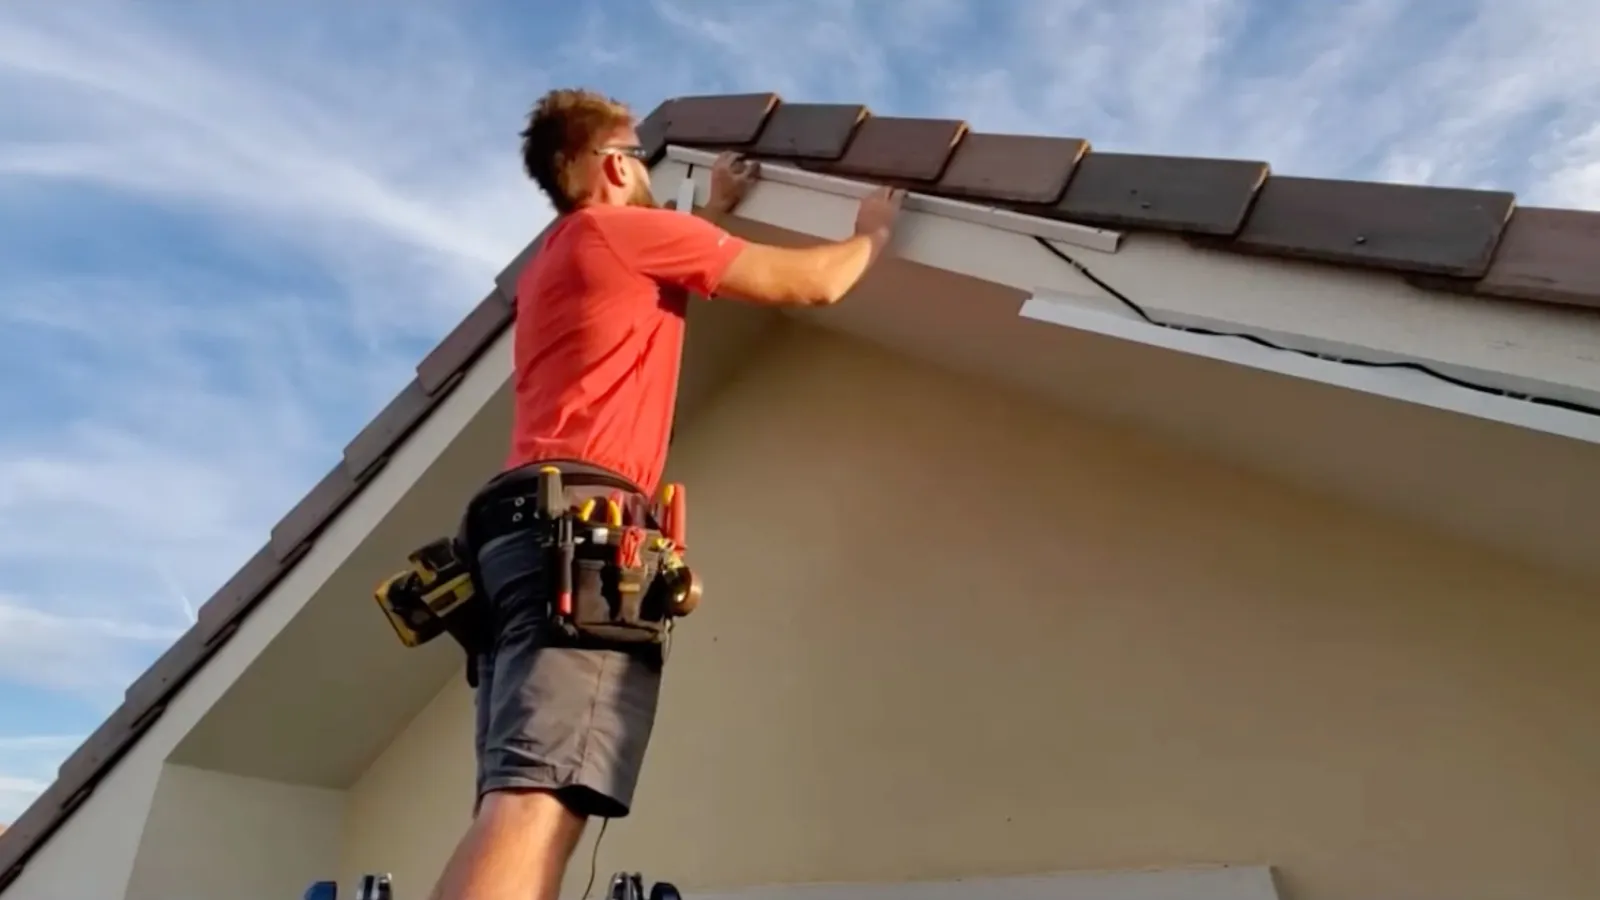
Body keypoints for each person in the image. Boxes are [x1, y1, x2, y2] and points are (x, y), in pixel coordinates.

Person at [425, 88, 905, 900]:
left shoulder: (562, 256)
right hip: (576, 532)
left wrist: (714, 208)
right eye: (638, 159)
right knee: (540, 798)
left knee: (518, 792)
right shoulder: (629, 235)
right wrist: (871, 236)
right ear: (615, 163)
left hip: (512, 538)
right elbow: (813, 284)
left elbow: (655, 280)